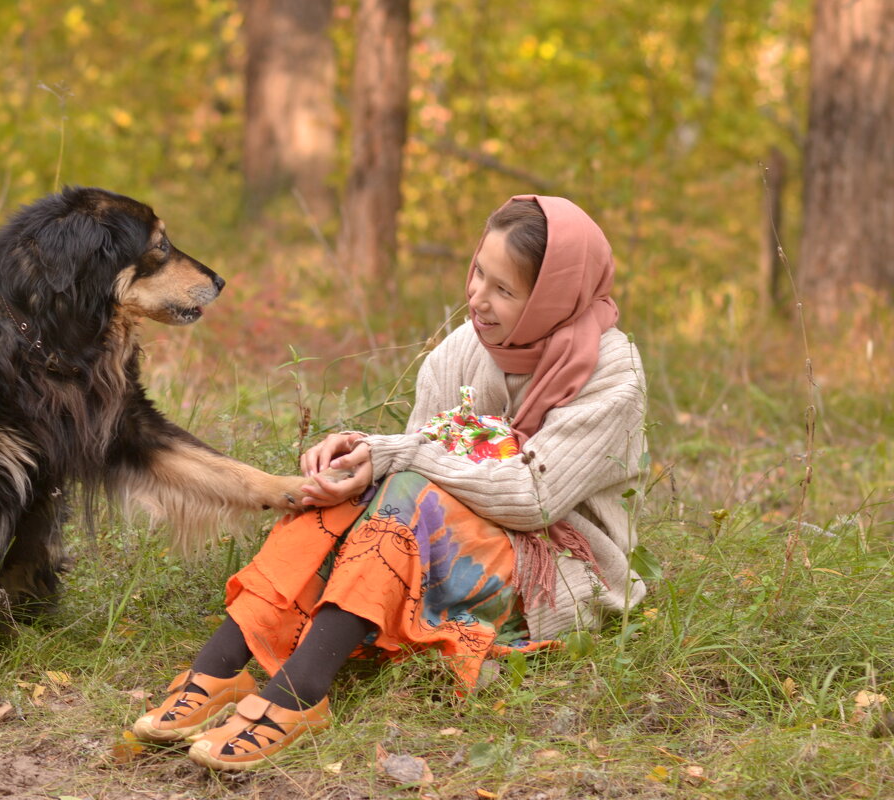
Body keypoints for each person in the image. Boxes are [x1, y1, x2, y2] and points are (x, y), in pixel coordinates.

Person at [132, 195, 649, 771]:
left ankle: (300, 691)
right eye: (479, 272)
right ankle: (222, 666)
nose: (478, 298)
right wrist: (356, 469)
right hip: (442, 549)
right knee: (346, 490)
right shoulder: (464, 348)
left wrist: (388, 455)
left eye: (504, 290)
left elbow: (532, 498)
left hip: (550, 568)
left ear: (554, 297)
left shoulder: (612, 373)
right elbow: (416, 468)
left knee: (402, 490)